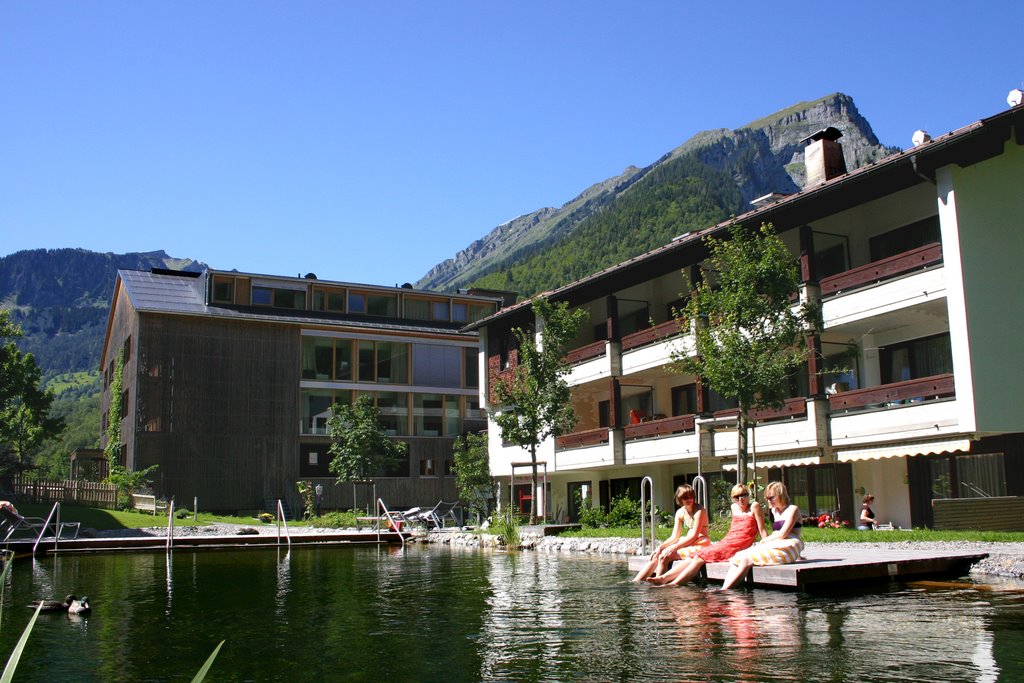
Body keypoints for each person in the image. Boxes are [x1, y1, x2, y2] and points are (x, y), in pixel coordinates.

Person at [647, 484, 765, 586]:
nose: (740, 499)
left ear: (748, 495)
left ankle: (672, 584)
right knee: (698, 556)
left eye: (743, 495)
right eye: (736, 497)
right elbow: (734, 530)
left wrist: (767, 544)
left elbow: (762, 529)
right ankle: (664, 579)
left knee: (700, 556)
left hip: (740, 544)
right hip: (728, 541)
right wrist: (661, 547)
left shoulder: (754, 506)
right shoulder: (734, 507)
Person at [720, 481, 804, 589]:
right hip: (775, 543)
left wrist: (765, 540)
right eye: (767, 498)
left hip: (790, 543)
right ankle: (724, 589)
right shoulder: (775, 511)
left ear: (780, 495)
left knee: (747, 560)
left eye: (771, 498)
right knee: (738, 557)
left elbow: (783, 533)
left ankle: (725, 592)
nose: (768, 501)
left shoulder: (793, 509)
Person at [631, 484, 710, 582]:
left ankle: (658, 582)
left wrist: (674, 547)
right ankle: (636, 582)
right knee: (659, 555)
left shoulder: (699, 511)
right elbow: (674, 537)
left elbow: (694, 536)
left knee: (665, 556)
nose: (689, 499)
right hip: (688, 543)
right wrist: (660, 548)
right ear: (680, 499)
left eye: (691, 496)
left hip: (700, 544)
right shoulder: (680, 512)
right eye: (685, 497)